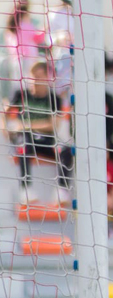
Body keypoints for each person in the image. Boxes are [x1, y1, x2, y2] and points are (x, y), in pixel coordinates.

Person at [7, 61, 72, 205]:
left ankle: (61, 190)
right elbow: (5, 112)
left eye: (38, 78)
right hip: (25, 140)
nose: (34, 82)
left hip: (46, 140)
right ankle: (25, 189)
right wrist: (7, 129)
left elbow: (52, 125)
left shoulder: (54, 98)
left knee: (66, 150)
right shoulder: (20, 95)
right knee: (24, 143)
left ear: (46, 79)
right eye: (32, 77)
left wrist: (24, 125)